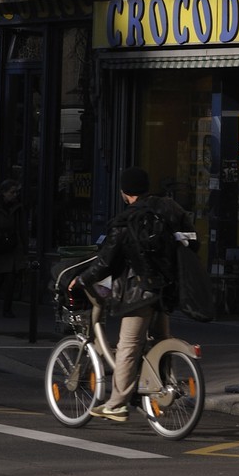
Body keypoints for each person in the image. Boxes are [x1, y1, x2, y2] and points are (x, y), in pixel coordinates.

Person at [70, 168, 190, 423]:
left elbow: (105, 262)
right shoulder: (167, 210)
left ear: (125, 193)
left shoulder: (127, 220)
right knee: (160, 339)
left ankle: (116, 404)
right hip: (166, 289)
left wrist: (81, 280)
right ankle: (159, 383)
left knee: (128, 346)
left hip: (139, 293)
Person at [0, 180, 28, 318]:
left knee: (11, 280)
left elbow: (22, 229)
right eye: (12, 192)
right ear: (3, 193)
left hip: (13, 247)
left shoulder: (18, 208)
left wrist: (25, 249)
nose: (15, 195)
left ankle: (7, 309)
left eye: (16, 192)